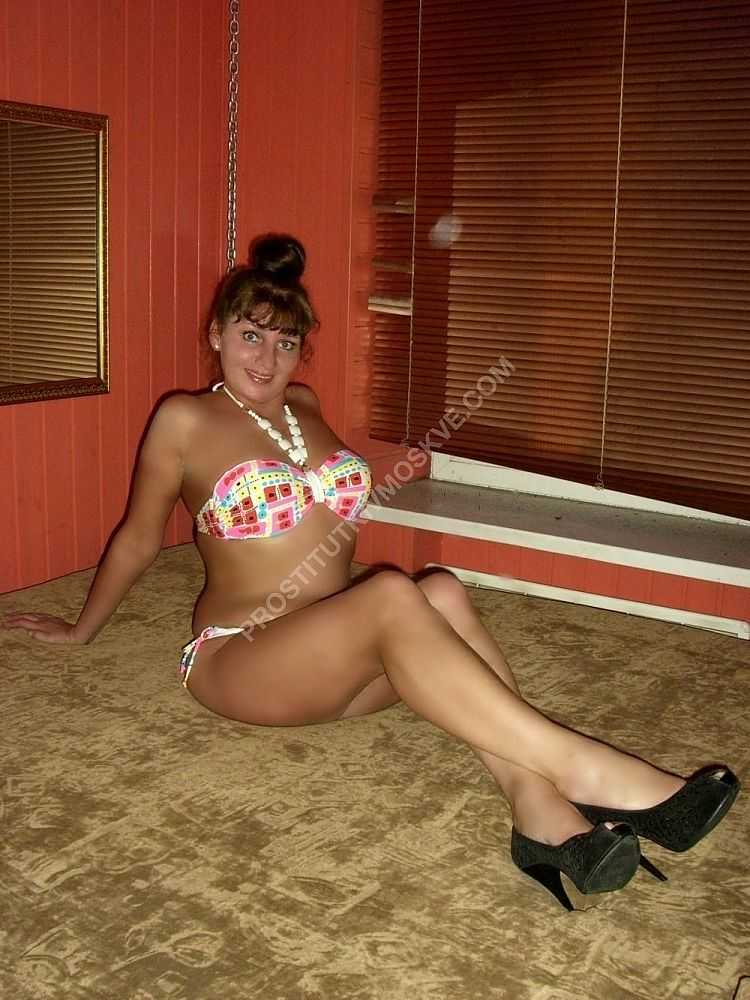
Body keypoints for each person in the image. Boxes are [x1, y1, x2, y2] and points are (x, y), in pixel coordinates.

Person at [4, 235, 740, 911]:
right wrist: (81, 630)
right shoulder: (184, 421)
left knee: (440, 590)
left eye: (286, 342)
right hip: (243, 662)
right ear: (215, 335)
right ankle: (586, 769)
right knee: (393, 593)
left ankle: (539, 813)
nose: (266, 358)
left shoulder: (304, 406)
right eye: (250, 335)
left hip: (343, 670)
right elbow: (138, 540)